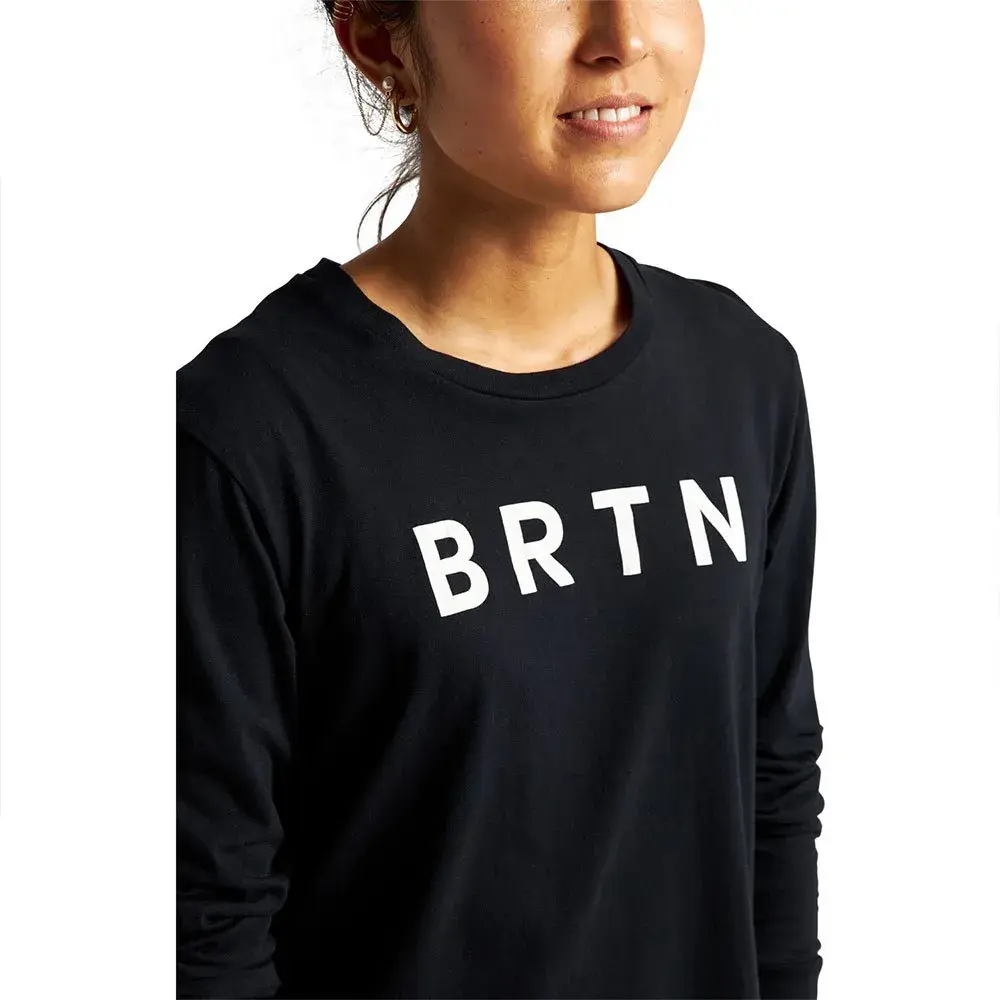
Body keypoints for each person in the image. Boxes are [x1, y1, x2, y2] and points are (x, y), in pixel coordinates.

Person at [176, 1, 825, 998]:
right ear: (377, 39)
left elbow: (771, 785)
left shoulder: (741, 375)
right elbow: (208, 917)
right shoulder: (250, 432)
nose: (622, 36)